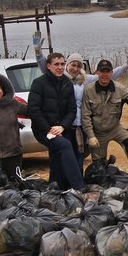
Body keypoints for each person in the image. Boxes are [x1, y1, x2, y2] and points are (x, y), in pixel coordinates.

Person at [33, 31, 128, 164]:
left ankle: (78, 180)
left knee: (79, 154)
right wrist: (38, 52)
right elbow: (45, 67)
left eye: (79, 65)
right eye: (73, 65)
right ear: (67, 64)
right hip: (64, 123)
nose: (75, 68)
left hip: (81, 123)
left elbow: (105, 76)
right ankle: (62, 182)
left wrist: (124, 67)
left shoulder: (85, 79)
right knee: (62, 155)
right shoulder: (60, 77)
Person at [81, 59, 128, 179]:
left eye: (107, 72)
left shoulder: (120, 89)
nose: (105, 75)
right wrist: (90, 136)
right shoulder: (88, 90)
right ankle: (103, 181)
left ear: (112, 73)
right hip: (98, 132)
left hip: (115, 128)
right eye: (102, 72)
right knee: (98, 166)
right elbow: (85, 116)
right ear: (97, 73)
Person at [28, 52, 84, 190]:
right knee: (64, 145)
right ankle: (79, 187)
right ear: (48, 66)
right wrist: (49, 129)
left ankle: (56, 186)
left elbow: (71, 110)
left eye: (62, 64)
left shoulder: (67, 83)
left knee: (57, 155)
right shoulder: (39, 83)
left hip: (61, 128)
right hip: (43, 130)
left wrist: (62, 127)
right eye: (56, 64)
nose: (60, 67)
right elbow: (33, 110)